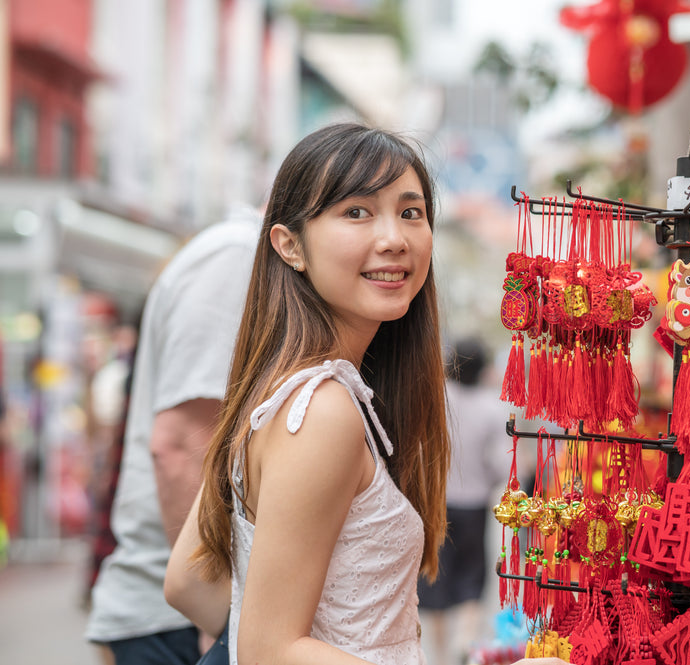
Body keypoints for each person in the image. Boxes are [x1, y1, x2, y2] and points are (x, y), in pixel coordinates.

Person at [164, 123, 567, 665]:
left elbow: (190, 582)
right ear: (289, 245)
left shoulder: (283, 390)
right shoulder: (321, 410)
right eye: (356, 211)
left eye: (410, 212)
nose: (394, 237)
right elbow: (268, 650)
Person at [85, 205, 261, 665]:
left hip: (187, 618)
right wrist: (216, 611)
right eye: (354, 211)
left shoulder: (238, 254)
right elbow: (182, 446)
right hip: (179, 624)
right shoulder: (237, 256)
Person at [418, 337, 510, 665]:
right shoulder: (491, 408)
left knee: (435, 574)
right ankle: (465, 640)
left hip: (436, 502)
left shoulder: (436, 399)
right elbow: (502, 464)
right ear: (483, 368)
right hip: (474, 504)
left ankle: (438, 654)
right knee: (471, 574)